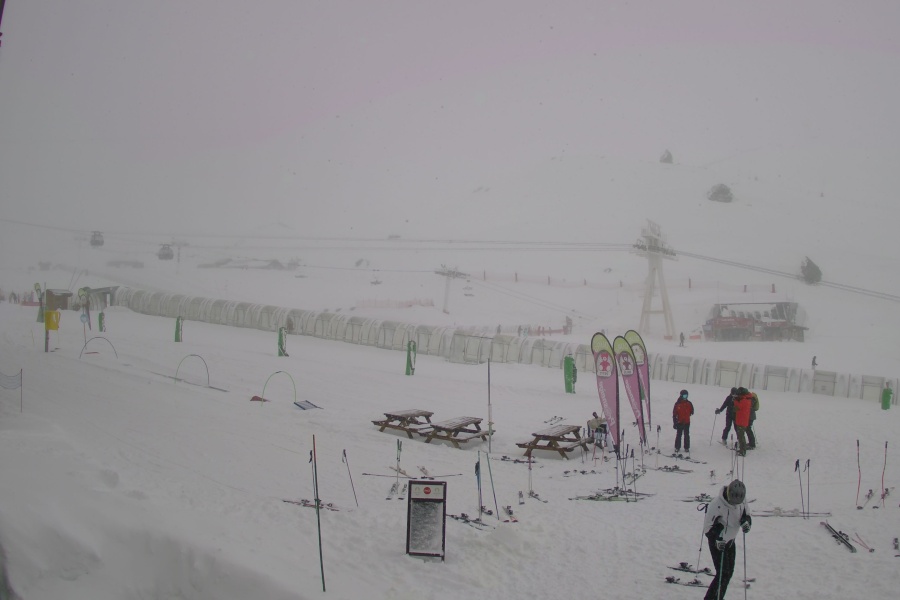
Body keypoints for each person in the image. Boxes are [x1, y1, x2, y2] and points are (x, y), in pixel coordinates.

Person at [703, 479, 752, 600]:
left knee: (729, 573)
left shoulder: (742, 500)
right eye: (732, 502)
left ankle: (719, 597)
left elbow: (747, 514)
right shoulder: (716, 504)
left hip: (731, 541)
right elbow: (707, 528)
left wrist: (746, 523)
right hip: (718, 542)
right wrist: (716, 539)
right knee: (723, 573)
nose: (735, 505)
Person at [732, 388, 756, 455]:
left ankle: (742, 451)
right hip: (742, 420)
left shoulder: (744, 400)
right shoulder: (747, 399)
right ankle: (742, 449)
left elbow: (737, 408)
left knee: (741, 436)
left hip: (741, 420)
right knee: (741, 436)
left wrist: (735, 401)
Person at [672, 389, 694, 456]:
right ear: (681, 395)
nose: (685, 397)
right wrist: (675, 423)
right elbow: (674, 414)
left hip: (687, 422)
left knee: (686, 435)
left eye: (686, 395)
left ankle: (686, 447)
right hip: (680, 422)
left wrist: (688, 415)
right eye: (684, 395)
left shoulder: (689, 403)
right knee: (679, 435)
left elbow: (692, 411)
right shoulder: (677, 404)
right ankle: (677, 447)